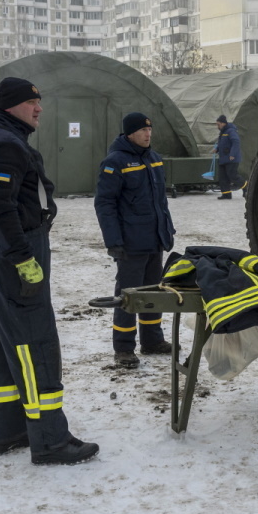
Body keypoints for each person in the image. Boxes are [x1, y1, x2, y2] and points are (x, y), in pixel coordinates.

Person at [0, 77, 98, 466]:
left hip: (3, 251)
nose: (39, 108)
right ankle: (50, 439)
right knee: (33, 341)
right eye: (31, 102)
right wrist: (22, 258)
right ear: (10, 106)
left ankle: (7, 429)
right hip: (16, 252)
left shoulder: (3, 139)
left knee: (3, 338)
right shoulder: (3, 145)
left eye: (39, 101)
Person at [94, 112, 177, 369]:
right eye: (142, 130)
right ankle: (124, 348)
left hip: (154, 239)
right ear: (130, 133)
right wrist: (113, 241)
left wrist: (167, 231)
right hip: (130, 243)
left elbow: (160, 202)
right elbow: (105, 204)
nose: (147, 134)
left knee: (153, 292)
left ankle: (152, 340)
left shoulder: (154, 159)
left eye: (149, 130)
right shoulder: (115, 162)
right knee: (128, 296)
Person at [214, 114, 244, 200]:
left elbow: (236, 142)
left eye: (218, 124)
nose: (217, 126)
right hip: (223, 158)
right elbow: (222, 143)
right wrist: (217, 149)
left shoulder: (231, 131)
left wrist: (232, 154)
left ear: (223, 123)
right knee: (223, 177)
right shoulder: (223, 132)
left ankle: (246, 187)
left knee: (232, 175)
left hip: (231, 158)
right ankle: (226, 194)